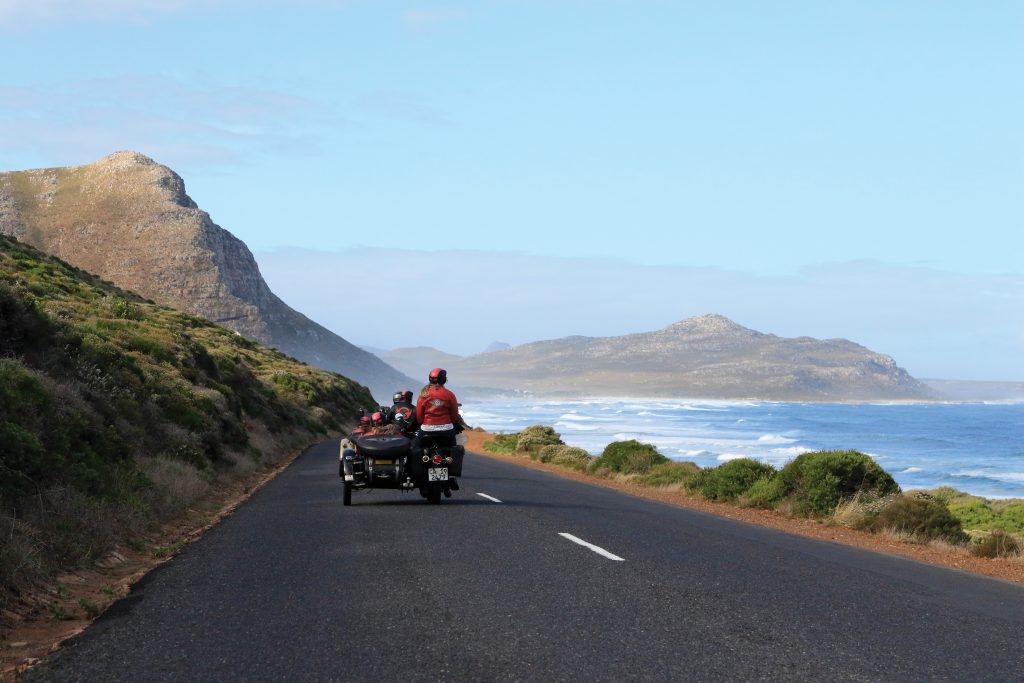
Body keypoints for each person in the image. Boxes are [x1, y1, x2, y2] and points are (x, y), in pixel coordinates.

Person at [415, 368, 462, 492]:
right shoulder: (449, 394)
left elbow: (419, 417)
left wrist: (424, 424)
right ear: (443, 380)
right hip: (447, 431)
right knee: (453, 451)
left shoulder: (423, 394)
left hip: (426, 430)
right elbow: (454, 416)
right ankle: (451, 477)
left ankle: (418, 476)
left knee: (416, 451)